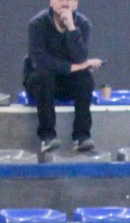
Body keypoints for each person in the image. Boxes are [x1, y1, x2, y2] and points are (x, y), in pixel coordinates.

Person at [23, 0, 102, 154]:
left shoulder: (83, 24)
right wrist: (75, 67)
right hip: (39, 80)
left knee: (85, 78)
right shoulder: (37, 24)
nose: (65, 3)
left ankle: (82, 137)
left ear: (76, 4)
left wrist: (72, 28)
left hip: (66, 81)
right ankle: (47, 137)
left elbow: (80, 57)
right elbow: (40, 61)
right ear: (51, 2)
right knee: (44, 76)